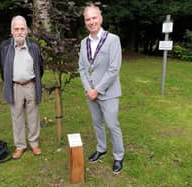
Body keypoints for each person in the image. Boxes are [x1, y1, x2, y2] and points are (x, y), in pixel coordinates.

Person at [78, 4, 124, 174]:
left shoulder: (113, 40)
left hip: (108, 92)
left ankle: (119, 156)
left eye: (94, 17)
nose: (91, 22)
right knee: (97, 123)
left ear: (100, 18)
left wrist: (97, 89)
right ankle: (101, 148)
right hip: (90, 93)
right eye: (87, 19)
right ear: (85, 22)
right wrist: (88, 89)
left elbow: (113, 69)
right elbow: (82, 68)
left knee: (112, 125)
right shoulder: (84, 43)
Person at [0, 15, 43, 159]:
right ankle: (20, 146)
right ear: (11, 31)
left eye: (22, 28)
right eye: (16, 29)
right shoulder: (5, 47)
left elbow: (40, 68)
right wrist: (9, 83)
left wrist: (33, 82)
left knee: (33, 116)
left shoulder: (34, 46)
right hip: (15, 87)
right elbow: (2, 69)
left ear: (26, 31)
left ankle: (34, 144)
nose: (19, 31)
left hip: (31, 85)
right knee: (17, 117)